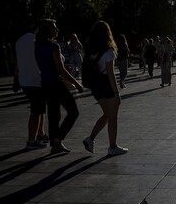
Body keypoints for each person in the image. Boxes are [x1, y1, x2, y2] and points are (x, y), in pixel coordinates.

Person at [34, 19, 83, 154]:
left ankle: (54, 144)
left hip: (45, 83)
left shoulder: (38, 46)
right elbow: (60, 70)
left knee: (54, 115)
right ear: (48, 30)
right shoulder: (53, 46)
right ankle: (58, 139)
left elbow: (48, 66)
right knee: (73, 112)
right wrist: (76, 83)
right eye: (54, 28)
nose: (56, 30)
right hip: (56, 83)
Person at [82, 20, 128, 157]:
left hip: (96, 85)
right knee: (113, 117)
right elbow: (110, 73)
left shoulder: (90, 50)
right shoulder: (109, 51)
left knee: (106, 114)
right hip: (106, 84)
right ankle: (112, 147)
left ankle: (90, 139)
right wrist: (116, 92)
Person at [13, 29, 49, 149]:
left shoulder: (19, 41)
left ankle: (40, 133)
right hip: (36, 79)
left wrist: (16, 78)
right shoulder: (38, 39)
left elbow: (17, 61)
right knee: (36, 112)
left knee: (40, 109)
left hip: (25, 79)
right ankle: (31, 140)